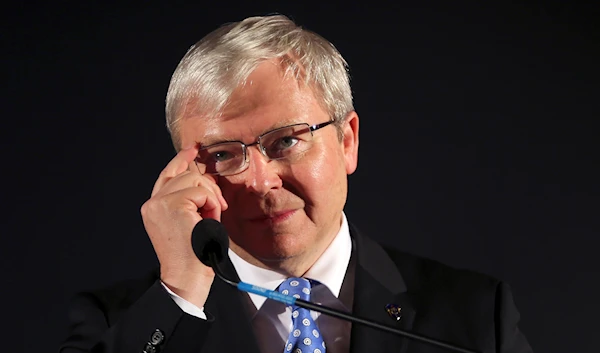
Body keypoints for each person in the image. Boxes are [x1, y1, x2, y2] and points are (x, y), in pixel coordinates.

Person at [59, 14, 533, 353]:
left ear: (347, 141)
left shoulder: (473, 317)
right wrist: (181, 292)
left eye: (286, 141)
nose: (260, 180)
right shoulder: (121, 324)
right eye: (223, 155)